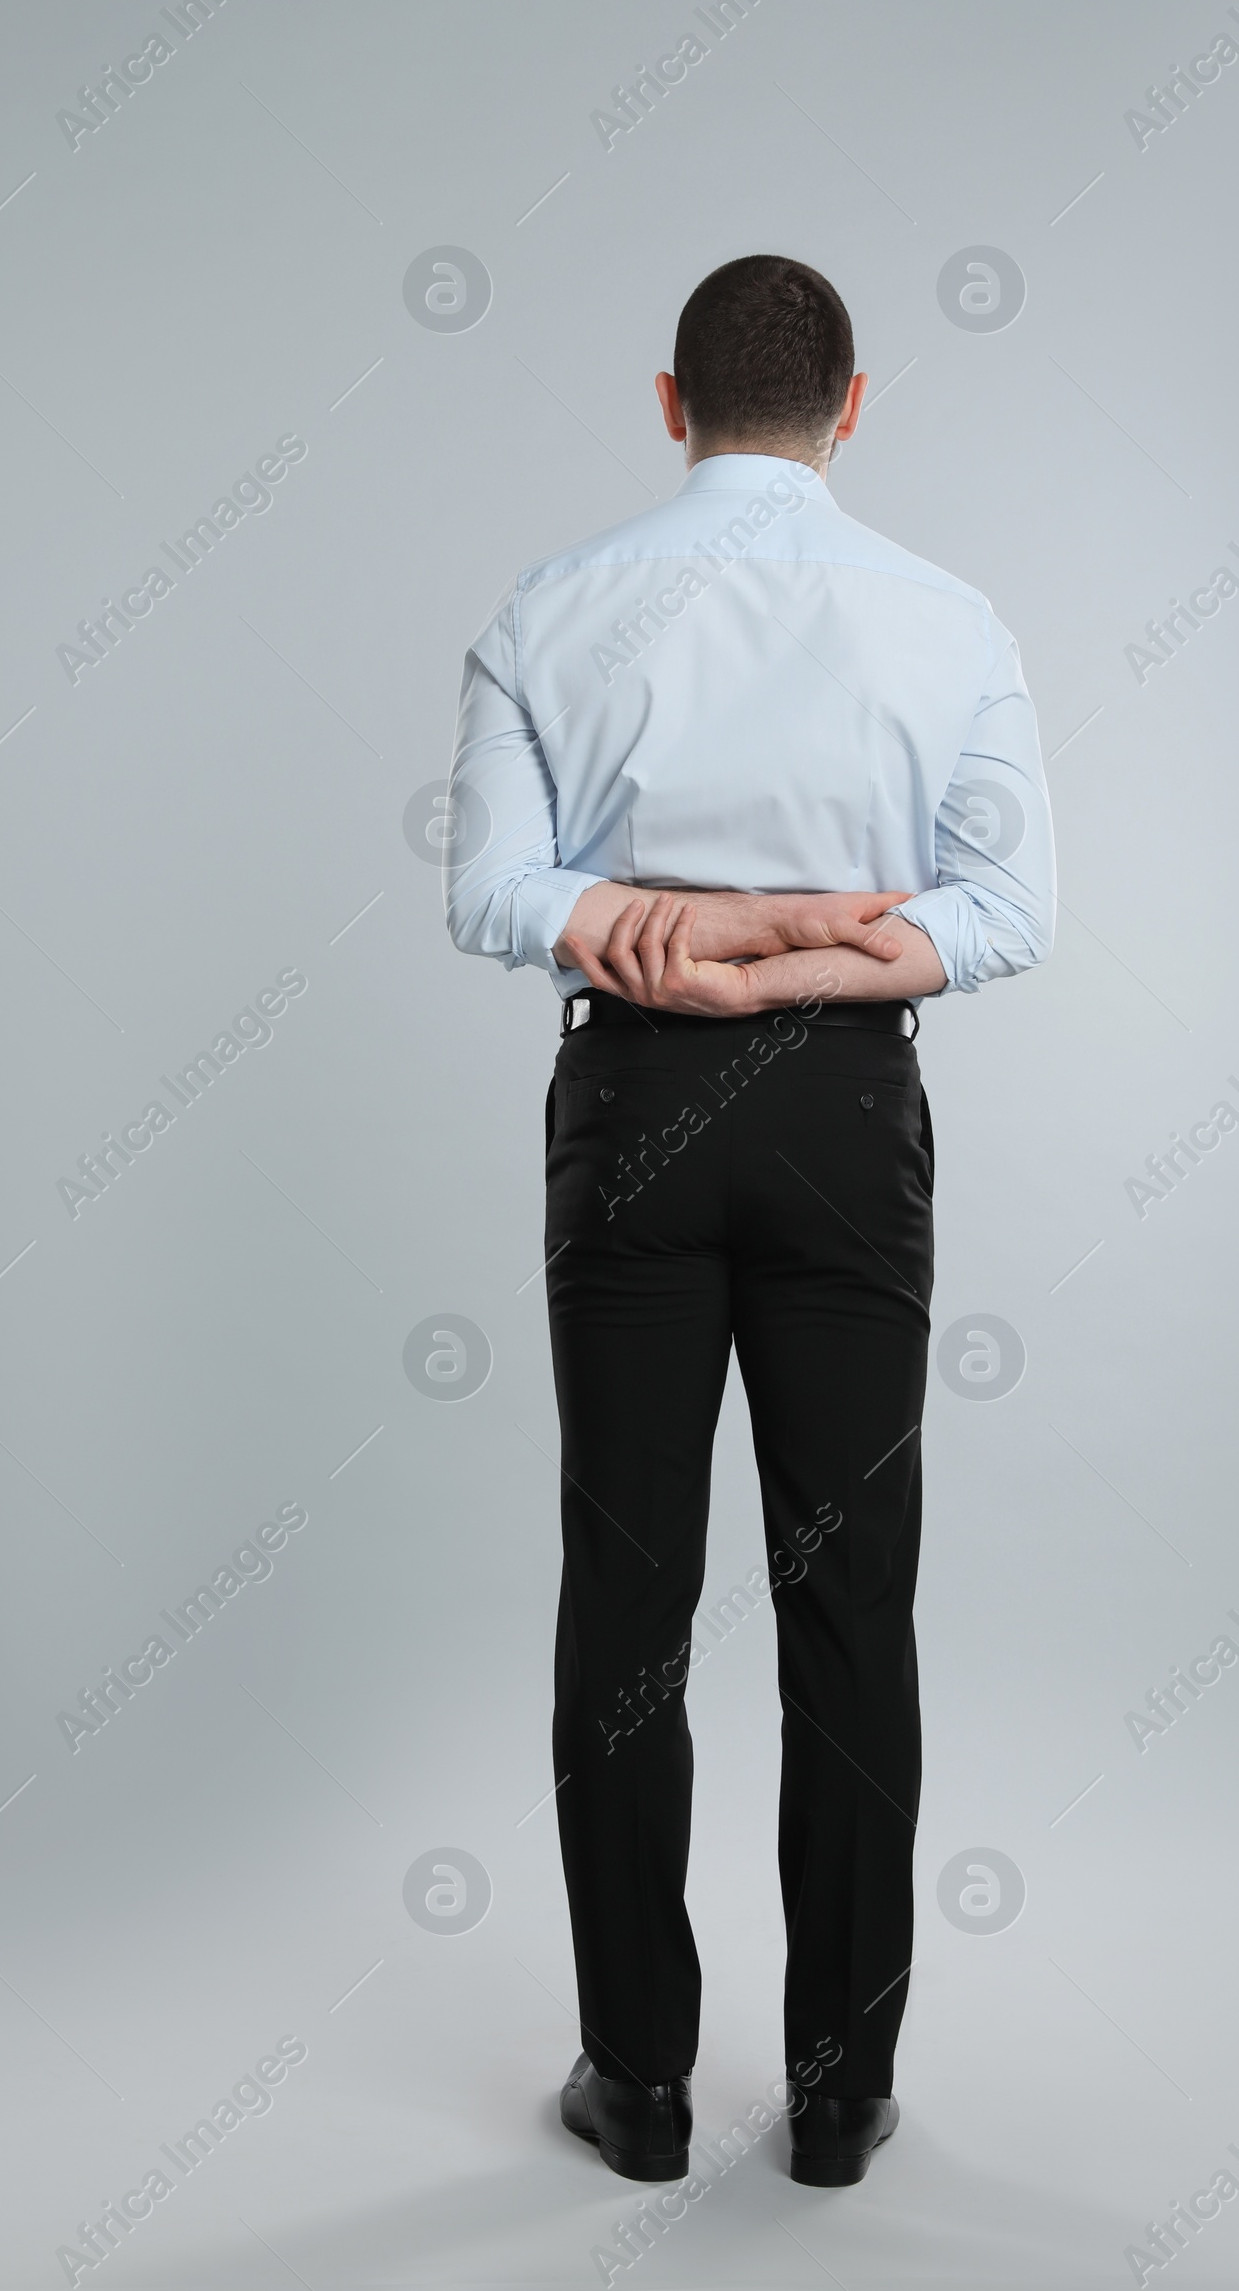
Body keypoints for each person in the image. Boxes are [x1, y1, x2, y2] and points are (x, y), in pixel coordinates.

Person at [447, 254, 1054, 2187]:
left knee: (622, 1603)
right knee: (848, 1606)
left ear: (669, 402)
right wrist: (807, 939)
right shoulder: (950, 617)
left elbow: (488, 894)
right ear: (853, 407)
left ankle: (633, 2082)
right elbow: (1011, 912)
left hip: (630, 1095)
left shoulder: (550, 607)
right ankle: (844, 2096)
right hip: (842, 1116)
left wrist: (682, 934)